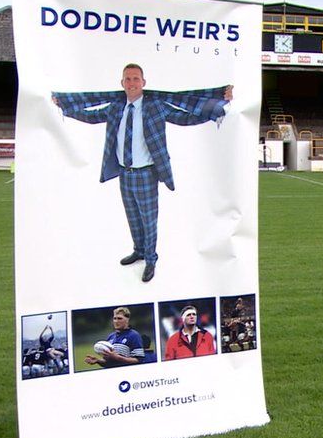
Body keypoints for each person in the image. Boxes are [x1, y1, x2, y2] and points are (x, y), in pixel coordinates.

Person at [53, 64, 233, 282]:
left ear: (143, 83)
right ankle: (139, 251)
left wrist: (217, 108)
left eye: (136, 79)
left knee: (149, 219)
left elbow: (184, 117)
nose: (131, 83)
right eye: (127, 79)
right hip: (124, 172)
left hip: (146, 173)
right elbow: (91, 116)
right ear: (122, 83)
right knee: (133, 216)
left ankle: (150, 259)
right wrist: (64, 106)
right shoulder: (117, 106)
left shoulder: (154, 105)